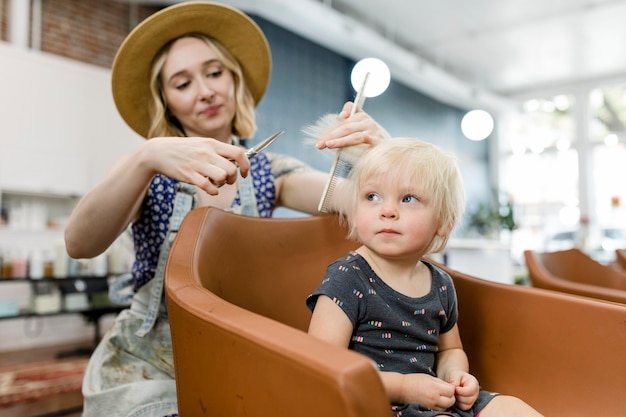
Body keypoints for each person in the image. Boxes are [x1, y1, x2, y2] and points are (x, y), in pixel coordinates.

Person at [63, 2, 388, 417]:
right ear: (165, 100)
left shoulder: (271, 172)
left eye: (215, 73)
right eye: (182, 83)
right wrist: (147, 156)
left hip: (238, 352)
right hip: (143, 370)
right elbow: (79, 243)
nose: (205, 91)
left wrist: (378, 156)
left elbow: (361, 202)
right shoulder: (144, 171)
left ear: (235, 80)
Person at [306, 138, 544, 417]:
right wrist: (405, 387)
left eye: (408, 199)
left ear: (444, 221)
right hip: (376, 402)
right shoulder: (347, 278)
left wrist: (455, 375)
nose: (387, 210)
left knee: (512, 408)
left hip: (433, 397)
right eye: (372, 196)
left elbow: (450, 349)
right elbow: (322, 366)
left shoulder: (441, 284)